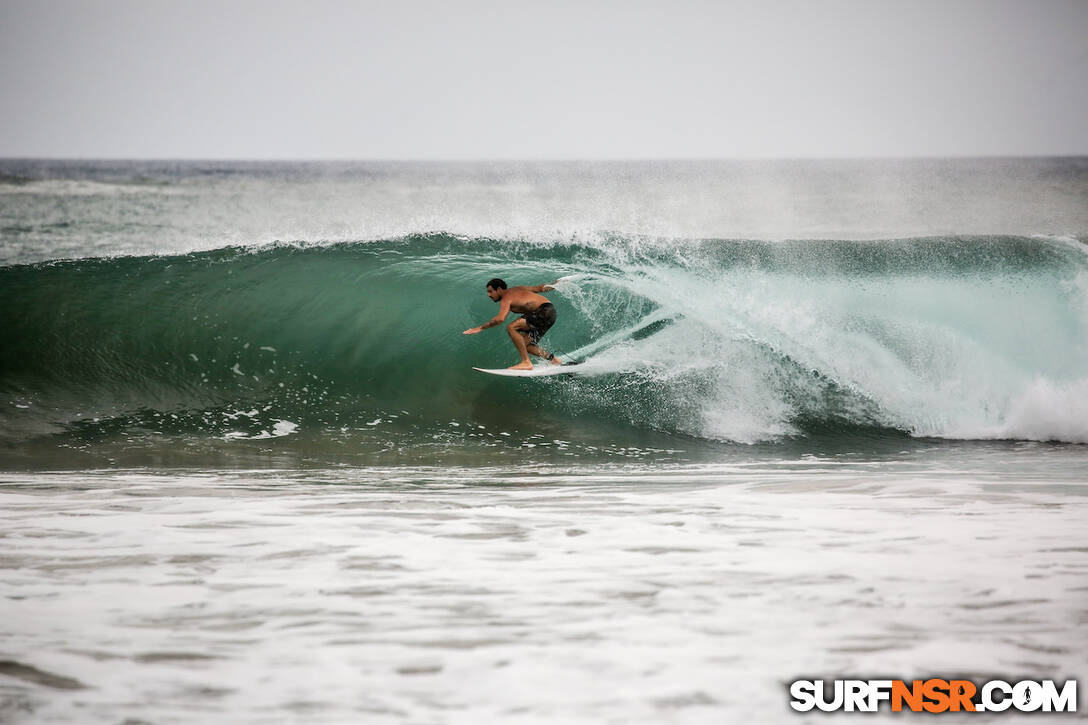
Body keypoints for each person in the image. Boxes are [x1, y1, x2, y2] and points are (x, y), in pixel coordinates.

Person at [463, 277, 562, 370]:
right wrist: (555, 285)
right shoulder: (518, 289)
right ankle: (554, 360)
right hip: (550, 314)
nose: (489, 295)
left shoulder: (506, 298)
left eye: (490, 291)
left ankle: (526, 362)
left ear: (499, 289)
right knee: (526, 345)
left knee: (511, 327)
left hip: (543, 311)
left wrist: (480, 328)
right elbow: (540, 288)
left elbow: (500, 319)